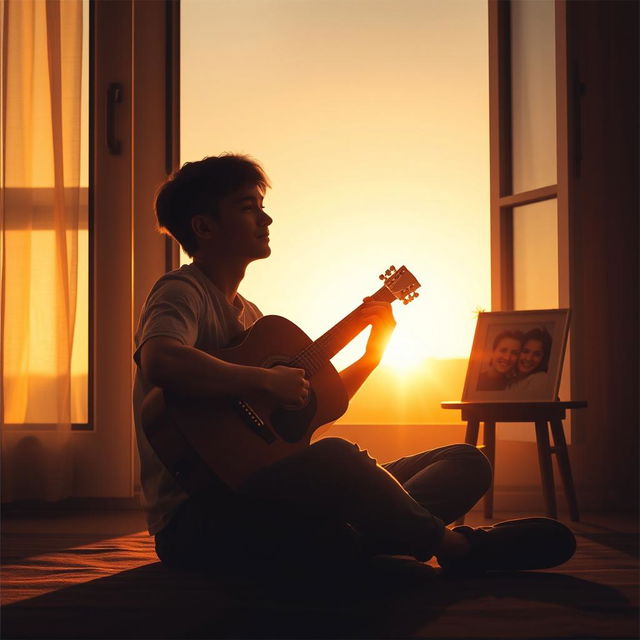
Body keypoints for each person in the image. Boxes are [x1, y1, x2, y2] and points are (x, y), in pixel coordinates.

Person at [132, 153, 575, 579]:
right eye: (249, 208)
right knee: (337, 457)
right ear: (203, 226)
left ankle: (350, 542)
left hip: (271, 506)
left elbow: (317, 405)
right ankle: (456, 548)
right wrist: (265, 378)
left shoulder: (249, 314)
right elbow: (161, 359)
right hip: (203, 523)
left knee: (465, 459)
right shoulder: (180, 291)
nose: (266, 220)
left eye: (263, 208)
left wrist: (371, 356)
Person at [508, 327, 553, 394]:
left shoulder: (540, 379)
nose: (529, 358)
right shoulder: (512, 380)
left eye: (537, 354)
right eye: (525, 351)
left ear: (543, 359)